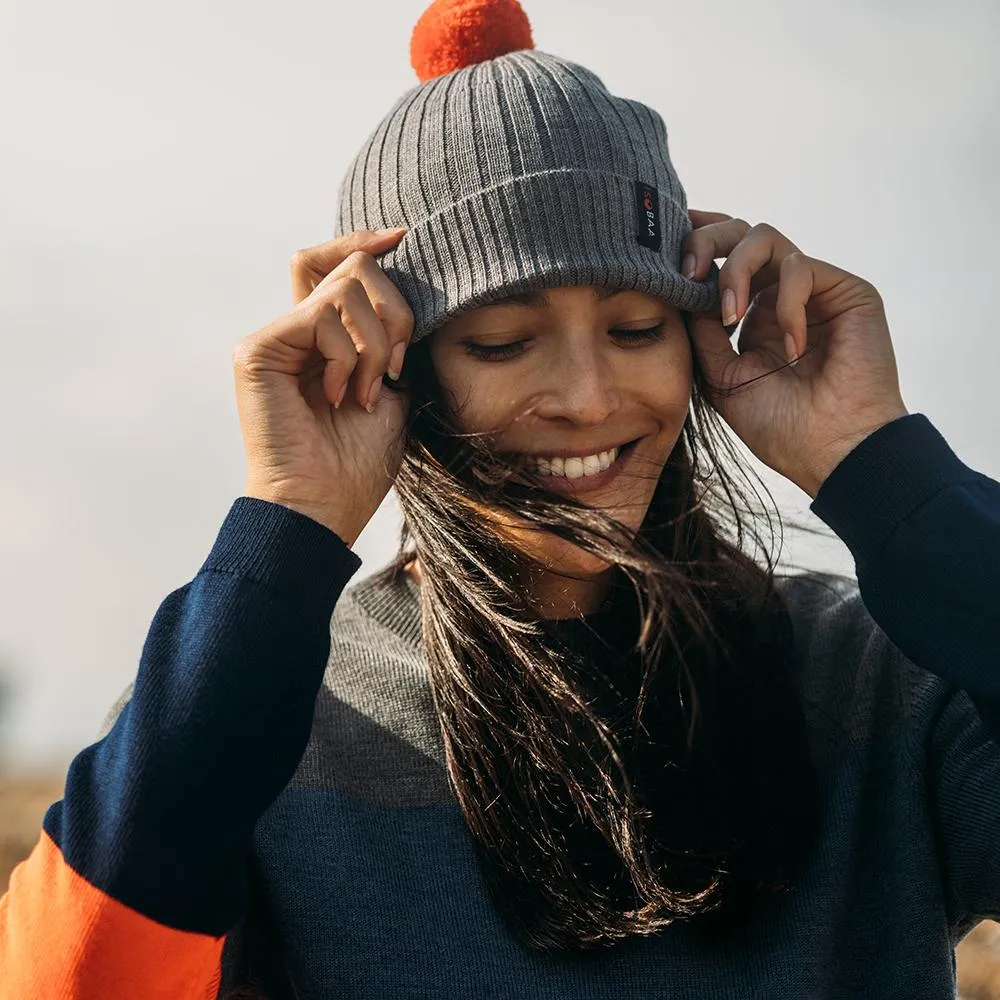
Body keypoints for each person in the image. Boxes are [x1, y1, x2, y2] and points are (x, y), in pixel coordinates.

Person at [1, 0, 998, 996]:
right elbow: (70, 978)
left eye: (637, 326)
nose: (586, 397)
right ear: (401, 367)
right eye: (501, 341)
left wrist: (882, 468)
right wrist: (288, 523)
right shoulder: (253, 714)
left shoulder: (880, 689)